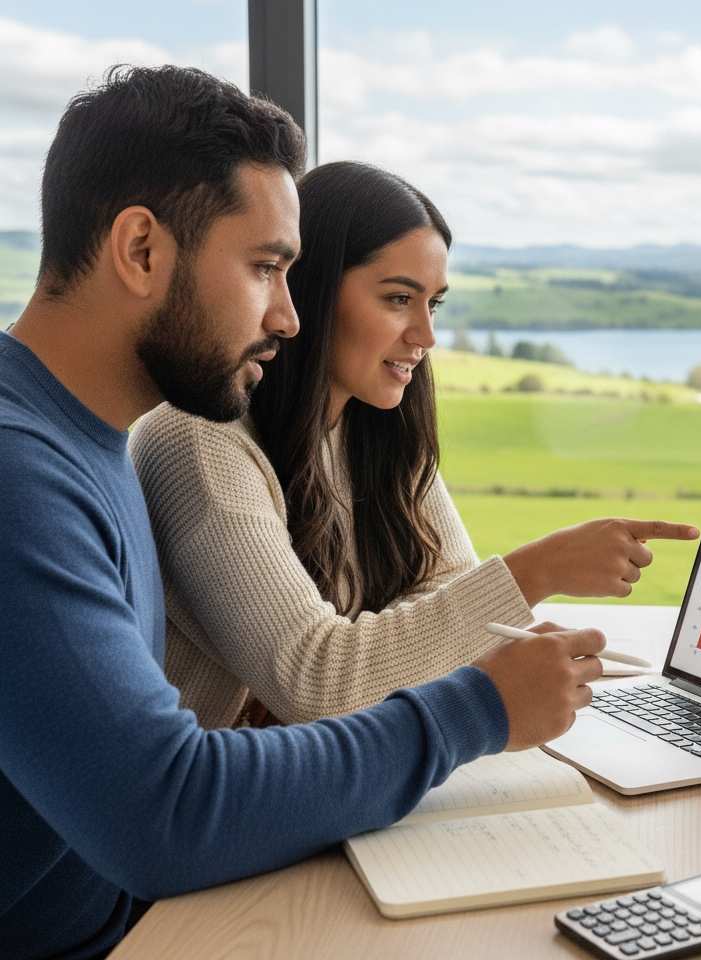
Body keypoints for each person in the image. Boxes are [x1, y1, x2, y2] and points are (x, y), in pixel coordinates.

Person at [0, 65, 605, 960]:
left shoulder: (85, 441)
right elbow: (166, 811)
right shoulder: (20, 475)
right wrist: (475, 711)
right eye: (266, 270)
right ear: (140, 251)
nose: (289, 317)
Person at [129, 161, 701, 729]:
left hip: (327, 773)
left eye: (435, 303)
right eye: (399, 299)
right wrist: (539, 569)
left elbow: (447, 585)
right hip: (219, 799)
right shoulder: (198, 443)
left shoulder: (377, 430)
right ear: (312, 291)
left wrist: (388, 648)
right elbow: (319, 681)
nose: (426, 335)